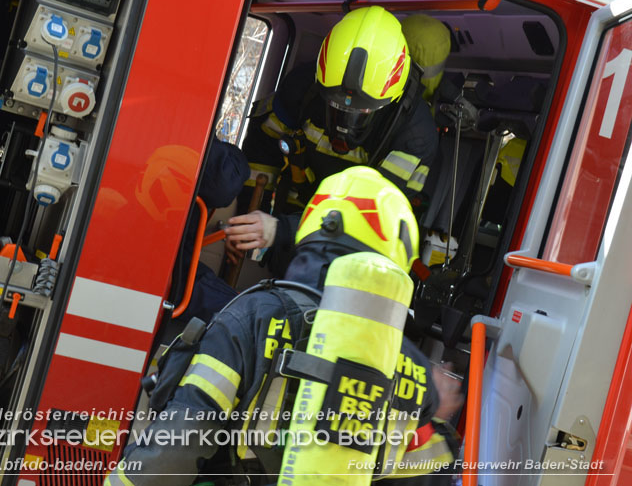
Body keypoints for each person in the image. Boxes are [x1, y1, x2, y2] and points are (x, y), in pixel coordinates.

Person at [104, 167, 462, 486]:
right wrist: (437, 418)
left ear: (315, 225)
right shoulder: (414, 370)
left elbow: (178, 446)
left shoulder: (256, 315)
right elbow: (429, 471)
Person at [226, 6, 439, 276]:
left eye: (362, 112)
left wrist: (280, 229)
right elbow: (262, 151)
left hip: (353, 249)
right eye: (335, 104)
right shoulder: (301, 91)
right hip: (297, 204)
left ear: (391, 98)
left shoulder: (414, 136)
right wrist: (247, 218)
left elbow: (368, 215)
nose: (345, 120)